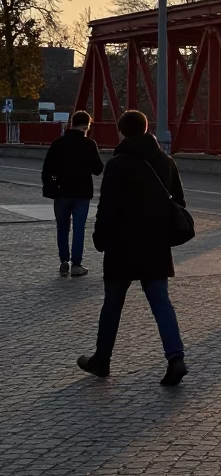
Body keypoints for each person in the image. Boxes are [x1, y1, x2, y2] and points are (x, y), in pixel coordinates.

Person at [77, 109, 189, 386]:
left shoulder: (118, 164)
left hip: (122, 244)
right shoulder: (166, 162)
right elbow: (179, 202)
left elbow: (107, 207)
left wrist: (100, 237)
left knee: (112, 304)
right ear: (147, 128)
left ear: (122, 132)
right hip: (156, 244)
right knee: (161, 301)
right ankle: (176, 357)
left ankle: (102, 360)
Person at [41, 110, 104, 278]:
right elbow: (98, 169)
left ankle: (64, 261)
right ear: (87, 126)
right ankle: (76, 265)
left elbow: (47, 168)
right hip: (82, 193)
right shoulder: (89, 144)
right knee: (78, 229)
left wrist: (50, 186)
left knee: (62, 228)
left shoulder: (58, 143)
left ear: (71, 123)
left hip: (61, 192)